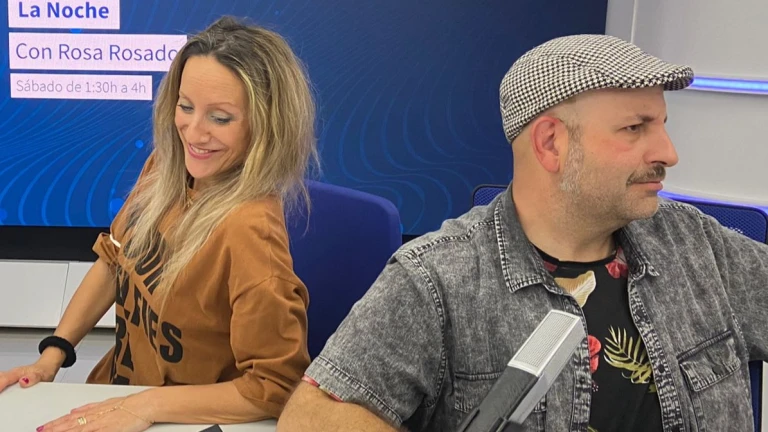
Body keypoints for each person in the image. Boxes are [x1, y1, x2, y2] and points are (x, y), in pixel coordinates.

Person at [278, 34, 768, 432]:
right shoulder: (438, 280)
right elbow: (312, 419)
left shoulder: (694, 243)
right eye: (635, 129)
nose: (668, 152)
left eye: (662, 124)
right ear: (551, 143)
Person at [0, 16, 318, 431]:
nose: (193, 133)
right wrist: (52, 355)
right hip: (119, 396)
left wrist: (146, 406)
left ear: (267, 125)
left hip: (182, 419)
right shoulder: (167, 168)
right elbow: (114, 261)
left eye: (220, 118)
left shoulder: (249, 231)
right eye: (185, 107)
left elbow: (274, 386)